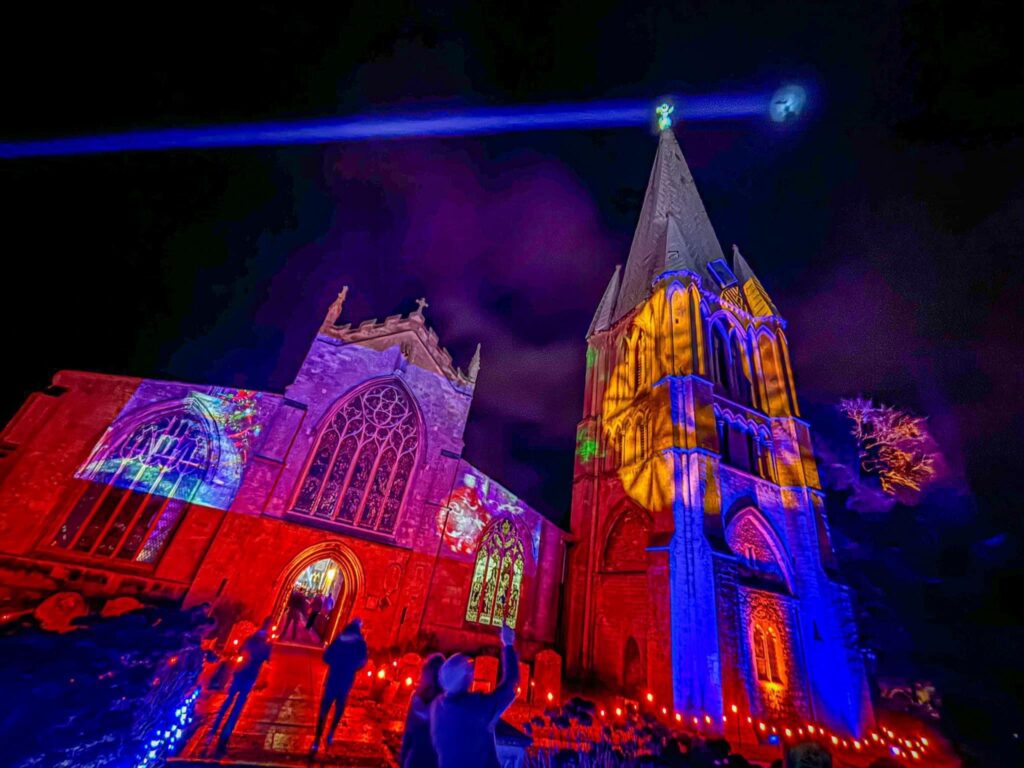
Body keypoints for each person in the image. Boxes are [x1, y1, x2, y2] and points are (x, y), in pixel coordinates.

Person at [430, 624, 519, 768]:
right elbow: (510, 683)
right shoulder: (474, 708)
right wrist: (508, 644)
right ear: (463, 678)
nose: (472, 673)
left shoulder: (438, 706)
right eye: (469, 670)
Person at [209, 617, 273, 754]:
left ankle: (213, 730)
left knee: (229, 699)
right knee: (238, 706)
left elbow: (240, 651)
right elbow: (267, 659)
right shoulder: (267, 644)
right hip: (251, 675)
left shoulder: (251, 639)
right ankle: (224, 738)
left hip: (240, 672)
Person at [312, 618, 368, 753]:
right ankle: (331, 733)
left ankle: (317, 739)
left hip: (333, 678)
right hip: (346, 680)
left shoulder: (340, 639)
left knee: (324, 709)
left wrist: (336, 661)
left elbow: (326, 656)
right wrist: (352, 666)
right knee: (339, 708)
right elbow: (363, 661)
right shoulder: (360, 643)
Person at [398, 653, 446, 768]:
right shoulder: (446, 701)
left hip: (415, 758)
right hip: (435, 760)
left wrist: (402, 757)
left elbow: (408, 733)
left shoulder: (417, 697)